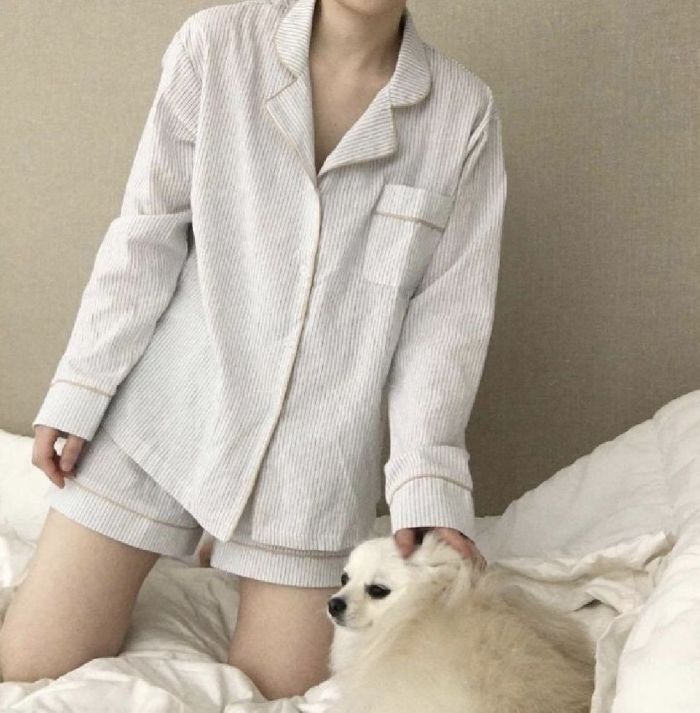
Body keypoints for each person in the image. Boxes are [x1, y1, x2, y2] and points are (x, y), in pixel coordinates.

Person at [0, 0, 505, 699]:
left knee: (282, 692)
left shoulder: (463, 114)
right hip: (162, 422)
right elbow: (146, 236)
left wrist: (427, 487)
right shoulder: (216, 46)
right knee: (29, 662)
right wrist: (81, 390)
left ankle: (229, 542)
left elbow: (445, 327)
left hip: (312, 470)